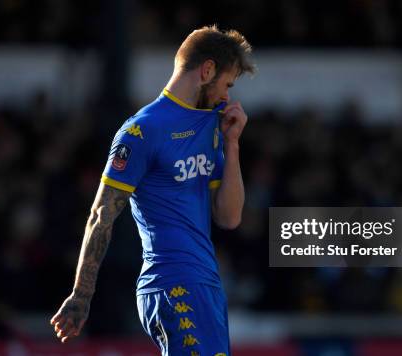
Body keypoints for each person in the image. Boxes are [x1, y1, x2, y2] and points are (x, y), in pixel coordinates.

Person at [50, 25, 256, 355]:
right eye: (226, 84)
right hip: (171, 282)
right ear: (206, 70)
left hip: (207, 286)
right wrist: (81, 295)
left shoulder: (214, 127)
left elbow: (230, 217)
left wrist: (232, 146)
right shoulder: (142, 131)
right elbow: (101, 214)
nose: (227, 96)